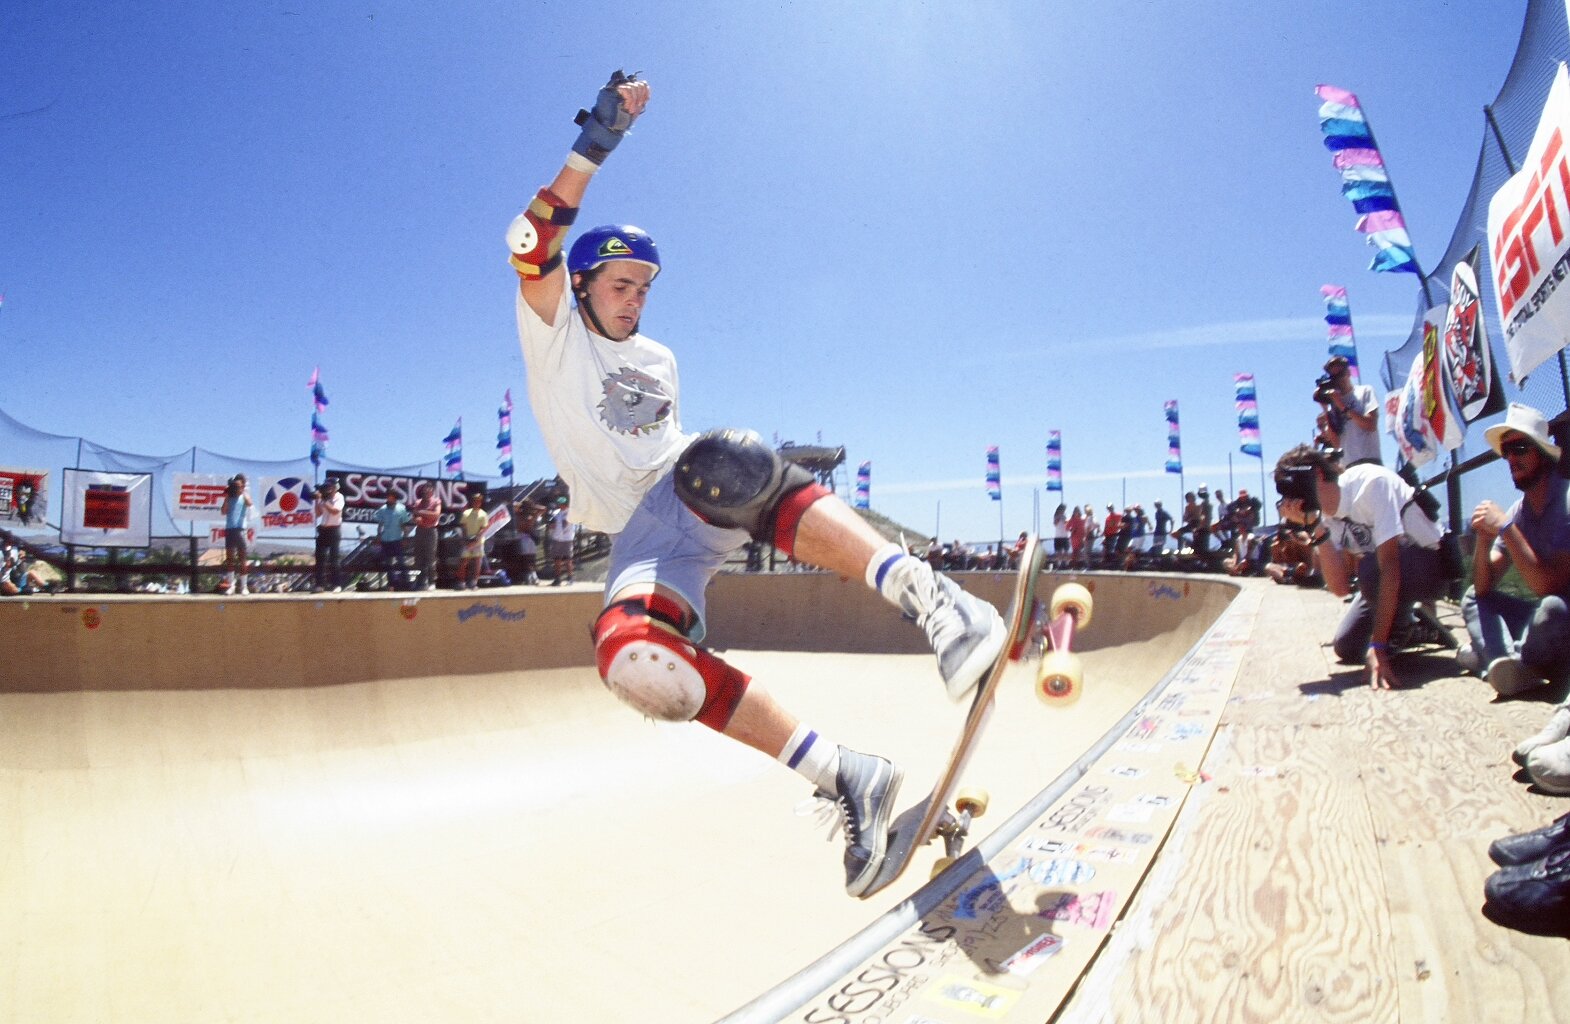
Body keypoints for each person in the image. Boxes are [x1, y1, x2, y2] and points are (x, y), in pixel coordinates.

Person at [507, 70, 1007, 896]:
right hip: (637, 539)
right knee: (636, 663)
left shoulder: (659, 359)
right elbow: (532, 244)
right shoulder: (553, 329)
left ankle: (938, 602)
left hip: (687, 491)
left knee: (724, 458)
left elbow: (673, 449)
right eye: (621, 286)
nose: (634, 303)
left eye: (644, 290)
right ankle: (848, 776)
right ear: (585, 287)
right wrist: (595, 146)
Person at [1274, 443, 1445, 689]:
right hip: (1382, 575)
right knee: (1347, 647)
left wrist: (1378, 645)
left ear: (1318, 475)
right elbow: (1340, 588)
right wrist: (1315, 528)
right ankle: (1417, 629)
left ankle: (1396, 629)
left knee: (1370, 569)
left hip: (1429, 566)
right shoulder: (1326, 515)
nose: (1290, 499)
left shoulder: (1370, 484)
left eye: (1292, 487)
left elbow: (1390, 566)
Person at [1320, 355, 1381, 466]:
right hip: (1348, 466)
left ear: (1348, 373)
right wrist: (1326, 410)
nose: (1338, 380)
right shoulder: (1333, 403)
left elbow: (1371, 425)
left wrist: (1342, 406)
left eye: (1340, 374)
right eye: (1334, 377)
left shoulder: (1365, 391)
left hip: (1369, 461)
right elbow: (1336, 443)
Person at [220, 474, 254, 595]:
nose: (236, 487)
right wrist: (227, 497)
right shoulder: (229, 497)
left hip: (240, 530)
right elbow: (223, 512)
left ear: (242, 486)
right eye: (235, 485)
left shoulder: (244, 496)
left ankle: (244, 586)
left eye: (239, 485)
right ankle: (231, 586)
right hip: (230, 529)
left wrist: (243, 492)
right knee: (230, 559)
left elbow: (250, 503)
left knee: (242, 559)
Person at [372, 489, 413, 591]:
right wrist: (378, 536)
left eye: (391, 496)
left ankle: (407, 583)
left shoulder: (401, 509)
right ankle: (392, 585)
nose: (388, 498)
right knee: (388, 563)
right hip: (386, 539)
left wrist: (406, 537)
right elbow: (380, 524)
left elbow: (404, 524)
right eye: (388, 496)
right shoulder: (382, 509)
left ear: (395, 498)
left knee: (401, 562)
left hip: (397, 539)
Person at [312, 477, 345, 592]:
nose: (328, 489)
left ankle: (336, 584)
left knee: (334, 558)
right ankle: (320, 584)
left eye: (330, 487)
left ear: (335, 487)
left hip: (334, 530)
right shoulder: (323, 498)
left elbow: (335, 511)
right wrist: (317, 500)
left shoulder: (339, 497)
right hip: (323, 530)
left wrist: (324, 501)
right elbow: (318, 513)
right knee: (320, 558)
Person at [411, 482, 443, 590]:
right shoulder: (418, 502)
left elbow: (436, 515)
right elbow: (414, 515)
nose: (426, 492)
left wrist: (421, 512)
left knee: (430, 557)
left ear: (432, 491)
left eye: (428, 490)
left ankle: (431, 582)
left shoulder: (436, 501)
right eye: (425, 490)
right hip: (420, 530)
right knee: (419, 557)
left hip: (431, 531)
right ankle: (421, 581)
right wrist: (417, 518)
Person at [458, 490, 490, 590]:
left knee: (477, 562)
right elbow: (463, 527)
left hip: (478, 542)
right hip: (467, 541)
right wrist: (465, 540)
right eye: (475, 500)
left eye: (479, 500)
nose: (477, 502)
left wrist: (477, 538)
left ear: (481, 502)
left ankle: (474, 583)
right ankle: (461, 582)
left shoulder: (483, 514)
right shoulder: (466, 513)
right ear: (472, 502)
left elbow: (484, 528)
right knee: (464, 562)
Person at [546, 499, 576, 585]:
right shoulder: (556, 513)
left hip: (567, 539)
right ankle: (557, 579)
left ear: (566, 504)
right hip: (557, 538)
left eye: (561, 504)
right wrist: (551, 524)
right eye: (559, 503)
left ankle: (570, 578)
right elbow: (552, 525)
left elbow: (566, 523)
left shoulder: (571, 513)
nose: (559, 505)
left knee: (568, 559)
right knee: (557, 560)